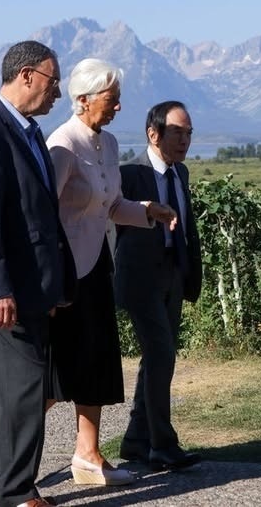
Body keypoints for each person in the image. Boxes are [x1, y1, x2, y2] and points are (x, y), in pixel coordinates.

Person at [0, 40, 75, 507]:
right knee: (26, 388)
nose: (57, 92)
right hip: (1, 293)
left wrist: (54, 285)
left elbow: (39, 217)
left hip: (30, 289)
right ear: (26, 75)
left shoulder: (29, 132)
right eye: (53, 81)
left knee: (6, 394)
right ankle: (18, 493)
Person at [45, 58, 178, 486]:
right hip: (66, 273)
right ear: (83, 99)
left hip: (98, 265)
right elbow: (44, 215)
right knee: (55, 372)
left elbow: (111, 205)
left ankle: (88, 456)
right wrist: (47, 281)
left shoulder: (109, 143)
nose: (118, 107)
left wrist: (147, 211)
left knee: (96, 362)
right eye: (111, 99)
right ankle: (13, 459)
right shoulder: (62, 145)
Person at [114, 100, 203, 471]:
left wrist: (188, 273)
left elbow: (187, 226)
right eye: (177, 132)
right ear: (154, 134)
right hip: (140, 280)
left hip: (173, 275)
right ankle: (162, 445)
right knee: (162, 354)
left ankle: (136, 441)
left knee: (156, 356)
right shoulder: (130, 174)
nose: (184, 140)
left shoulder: (180, 172)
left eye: (189, 133)